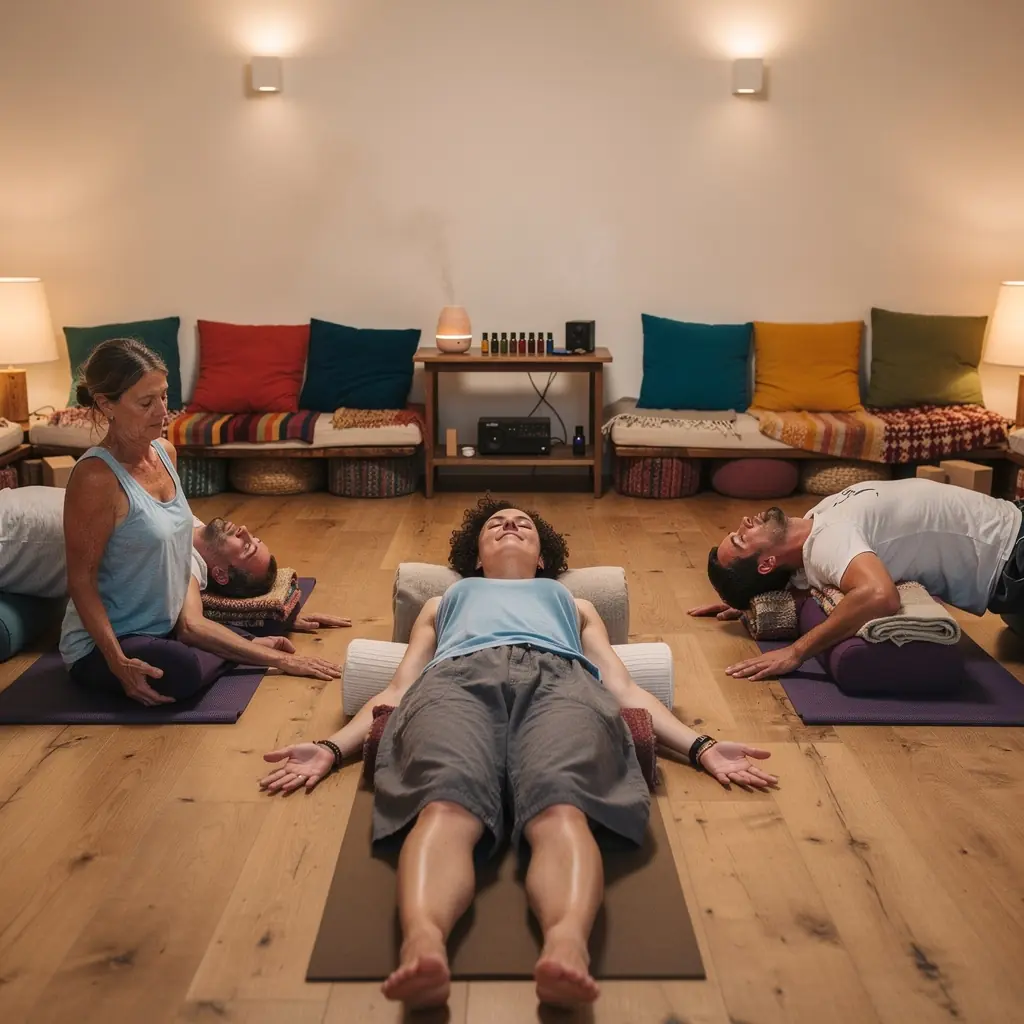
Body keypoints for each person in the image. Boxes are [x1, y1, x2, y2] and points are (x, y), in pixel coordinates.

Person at [259, 497, 777, 1010]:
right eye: (495, 525)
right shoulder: (445, 602)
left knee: (562, 806)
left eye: (522, 523)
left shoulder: (574, 604)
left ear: (544, 557)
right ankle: (423, 946)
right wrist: (330, 747)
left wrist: (702, 746)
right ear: (476, 558)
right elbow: (398, 688)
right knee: (444, 803)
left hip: (561, 681)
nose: (509, 525)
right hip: (453, 682)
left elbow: (624, 689)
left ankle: (567, 946)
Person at [60, 337, 342, 707]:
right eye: (146, 403)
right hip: (110, 643)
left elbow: (179, 559)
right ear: (105, 405)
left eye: (163, 396)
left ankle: (231, 644)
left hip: (164, 630)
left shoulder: (165, 453)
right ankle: (234, 646)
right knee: (182, 672)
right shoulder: (96, 477)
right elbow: (81, 581)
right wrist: (117, 662)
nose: (162, 412)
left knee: (188, 655)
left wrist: (257, 626)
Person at [691, 477, 1024, 680]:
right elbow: (880, 595)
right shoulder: (828, 544)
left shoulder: (814, 527)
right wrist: (796, 652)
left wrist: (752, 603)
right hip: (1015, 557)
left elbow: (799, 585)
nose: (745, 522)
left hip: (1012, 524)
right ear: (767, 564)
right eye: (741, 539)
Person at [0, 487, 349, 633]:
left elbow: (194, 623)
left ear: (221, 575)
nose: (243, 530)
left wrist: (271, 625)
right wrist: (280, 610)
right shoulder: (191, 523)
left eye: (245, 547)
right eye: (251, 537)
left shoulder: (186, 565)